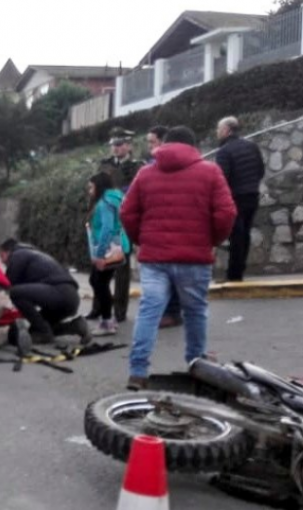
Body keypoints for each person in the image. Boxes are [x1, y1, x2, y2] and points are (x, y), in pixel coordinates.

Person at [121, 126, 237, 391]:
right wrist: (212, 240)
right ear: (193, 147)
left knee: (149, 310)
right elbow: (226, 213)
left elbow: (127, 212)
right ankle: (197, 366)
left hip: (154, 257)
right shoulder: (210, 171)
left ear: (164, 146)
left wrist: (142, 239)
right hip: (194, 257)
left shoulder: (146, 173)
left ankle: (137, 373)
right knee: (195, 312)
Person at [0, 239, 91, 346]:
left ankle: (44, 333)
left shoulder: (18, 254)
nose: (2, 261)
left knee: (15, 293)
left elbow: (8, 285)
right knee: (35, 330)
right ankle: (76, 326)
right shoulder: (33, 255)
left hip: (60, 293)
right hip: (70, 298)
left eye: (2, 256)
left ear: (9, 251)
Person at [93, 127, 140, 323]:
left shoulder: (137, 166)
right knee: (101, 264)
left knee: (121, 268)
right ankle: (98, 308)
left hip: (124, 219)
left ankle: (120, 311)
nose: (116, 148)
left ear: (128, 146)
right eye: (113, 145)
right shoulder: (104, 165)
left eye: (119, 145)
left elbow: (137, 193)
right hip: (106, 218)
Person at [215, 116, 265, 282]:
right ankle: (239, 270)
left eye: (219, 129)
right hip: (252, 194)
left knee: (236, 235)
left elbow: (221, 179)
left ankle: (234, 275)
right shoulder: (252, 146)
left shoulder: (224, 151)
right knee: (245, 234)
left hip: (235, 197)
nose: (217, 132)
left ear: (227, 130)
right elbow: (260, 170)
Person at [145, 126, 182, 329]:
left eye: (152, 142)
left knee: (170, 273)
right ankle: (170, 311)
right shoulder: (153, 165)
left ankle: (172, 312)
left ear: (162, 142)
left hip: (168, 227)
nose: (149, 146)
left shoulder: (163, 166)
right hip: (163, 227)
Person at [86, 172, 130, 337]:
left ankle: (107, 322)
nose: (90, 191)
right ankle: (108, 319)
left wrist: (99, 255)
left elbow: (107, 229)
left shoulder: (105, 203)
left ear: (99, 186)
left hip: (109, 249)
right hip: (117, 246)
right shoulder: (114, 198)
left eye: (91, 187)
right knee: (96, 281)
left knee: (100, 283)